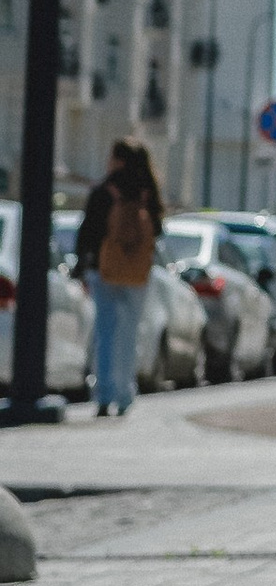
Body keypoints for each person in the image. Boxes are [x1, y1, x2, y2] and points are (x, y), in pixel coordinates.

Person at [76, 137, 164, 419]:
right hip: (137, 272)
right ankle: (125, 395)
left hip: (106, 270)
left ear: (119, 159)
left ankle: (103, 395)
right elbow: (157, 231)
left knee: (105, 332)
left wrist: (82, 265)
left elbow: (88, 230)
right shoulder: (147, 192)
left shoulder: (105, 189)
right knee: (129, 333)